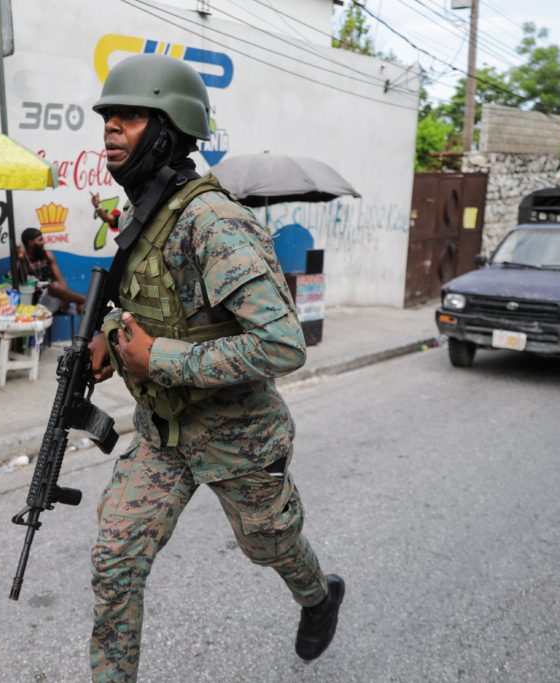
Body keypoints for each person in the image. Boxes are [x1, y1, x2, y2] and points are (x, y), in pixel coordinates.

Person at [85, 54, 343, 680]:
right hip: (164, 435)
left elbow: (283, 345)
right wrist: (113, 338)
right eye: (108, 116)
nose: (110, 129)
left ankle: (318, 597)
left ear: (169, 129)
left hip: (238, 438)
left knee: (270, 545)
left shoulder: (215, 221)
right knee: (114, 563)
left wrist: (158, 359)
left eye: (130, 116)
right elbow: (158, 304)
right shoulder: (146, 216)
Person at [16, 227, 86, 313]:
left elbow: (61, 280)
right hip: (41, 304)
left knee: (83, 307)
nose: (44, 242)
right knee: (54, 286)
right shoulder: (23, 261)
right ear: (31, 243)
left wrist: (65, 298)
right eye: (40, 240)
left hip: (58, 297)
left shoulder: (48, 255)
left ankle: (86, 302)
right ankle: (87, 300)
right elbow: (23, 279)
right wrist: (21, 258)